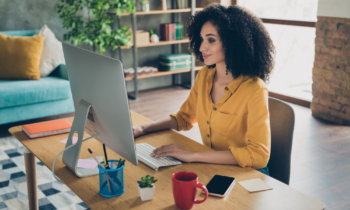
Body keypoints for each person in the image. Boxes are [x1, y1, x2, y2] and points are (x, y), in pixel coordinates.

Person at [133, 4, 275, 175]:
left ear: (233, 42)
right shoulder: (204, 76)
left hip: (248, 173)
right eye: (201, 39)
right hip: (213, 165)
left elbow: (259, 155)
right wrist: (143, 129)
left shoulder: (254, 89)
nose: (201, 48)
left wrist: (193, 155)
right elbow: (184, 118)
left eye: (211, 40)